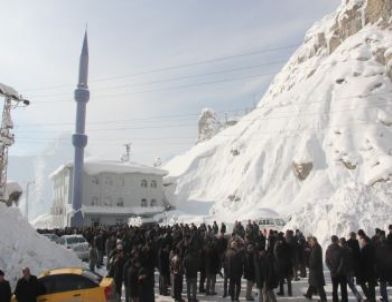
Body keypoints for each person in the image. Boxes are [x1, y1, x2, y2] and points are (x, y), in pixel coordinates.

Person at [303, 237, 327, 302]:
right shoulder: (315, 247)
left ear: (314, 241)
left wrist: (310, 265)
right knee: (312, 283)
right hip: (315, 269)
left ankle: (323, 299)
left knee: (319, 285)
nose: (309, 243)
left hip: (316, 269)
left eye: (310, 242)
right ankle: (309, 294)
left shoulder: (316, 248)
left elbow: (314, 260)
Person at [339, 238, 362, 302]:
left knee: (343, 286)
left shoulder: (341, 250)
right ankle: (358, 296)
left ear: (341, 243)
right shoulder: (350, 249)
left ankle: (344, 298)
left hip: (344, 270)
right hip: (351, 269)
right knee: (351, 285)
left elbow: (341, 261)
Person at [326, 235, 348, 302]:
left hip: (333, 273)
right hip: (342, 272)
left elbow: (326, 261)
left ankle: (335, 300)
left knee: (334, 289)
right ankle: (344, 300)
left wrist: (331, 269)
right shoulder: (341, 249)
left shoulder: (328, 250)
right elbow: (342, 261)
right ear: (337, 240)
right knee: (343, 288)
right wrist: (338, 270)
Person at [358, 235, 376, 302]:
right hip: (372, 269)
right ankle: (372, 298)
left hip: (365, 270)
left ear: (365, 241)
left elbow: (361, 260)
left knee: (364, 284)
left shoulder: (363, 249)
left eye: (362, 241)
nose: (361, 242)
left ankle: (369, 297)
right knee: (372, 285)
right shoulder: (373, 248)